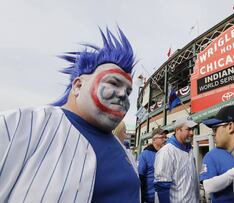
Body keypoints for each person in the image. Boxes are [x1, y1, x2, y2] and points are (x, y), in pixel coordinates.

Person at [0, 27, 140, 203]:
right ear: (78, 85)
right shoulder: (21, 125)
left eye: (128, 92)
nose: (122, 95)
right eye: (113, 83)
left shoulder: (123, 150)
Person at [154, 116, 200, 203]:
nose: (192, 133)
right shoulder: (166, 152)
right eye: (188, 129)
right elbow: (162, 186)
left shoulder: (189, 149)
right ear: (178, 130)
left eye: (192, 129)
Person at [138, 128, 168, 203]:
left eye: (165, 137)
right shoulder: (145, 155)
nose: (165, 140)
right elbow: (140, 178)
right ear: (154, 139)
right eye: (162, 137)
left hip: (166, 196)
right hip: (150, 198)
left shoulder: (167, 153)